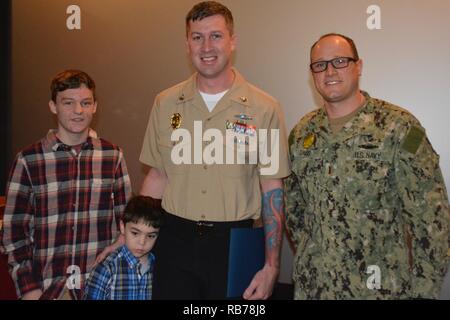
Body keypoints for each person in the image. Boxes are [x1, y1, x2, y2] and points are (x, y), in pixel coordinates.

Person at [139, 1, 290, 299]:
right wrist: (134, 238)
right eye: (197, 37)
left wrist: (272, 265)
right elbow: (157, 176)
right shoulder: (165, 102)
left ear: (232, 41)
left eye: (216, 36)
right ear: (187, 44)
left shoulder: (265, 108)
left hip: (235, 245)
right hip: (174, 243)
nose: (206, 46)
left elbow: (271, 187)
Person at [284, 33, 450, 299]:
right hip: (314, 288)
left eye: (339, 61)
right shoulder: (302, 133)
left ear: (358, 66)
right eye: (320, 64)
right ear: (312, 73)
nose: (329, 71)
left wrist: (423, 293)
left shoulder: (398, 127)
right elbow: (293, 208)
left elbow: (432, 221)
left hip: (378, 291)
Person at [0, 70, 132, 300]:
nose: (78, 110)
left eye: (85, 103)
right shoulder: (28, 160)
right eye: (68, 103)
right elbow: (13, 235)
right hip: (48, 289)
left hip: (101, 287)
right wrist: (29, 290)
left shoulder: (113, 156)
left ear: (95, 106)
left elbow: (127, 223)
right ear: (53, 106)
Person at [83, 196, 162, 300]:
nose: (142, 242)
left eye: (150, 236)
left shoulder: (161, 268)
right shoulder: (107, 269)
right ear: (122, 227)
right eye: (135, 233)